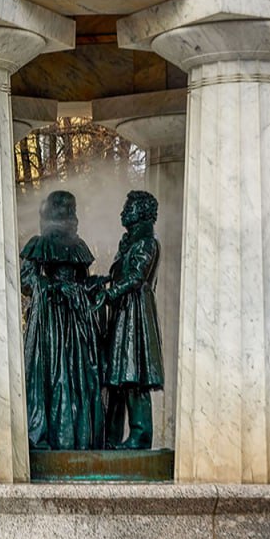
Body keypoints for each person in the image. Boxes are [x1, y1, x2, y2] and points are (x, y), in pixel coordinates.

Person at [21, 190, 104, 450]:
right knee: (53, 376)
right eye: (68, 210)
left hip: (76, 320)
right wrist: (56, 288)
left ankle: (79, 438)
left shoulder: (79, 246)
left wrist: (92, 286)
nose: (72, 216)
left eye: (73, 210)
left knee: (80, 375)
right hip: (50, 320)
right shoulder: (39, 244)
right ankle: (52, 436)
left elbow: (82, 278)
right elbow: (27, 280)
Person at [94, 190, 165, 450]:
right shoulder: (131, 242)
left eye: (128, 208)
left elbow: (136, 277)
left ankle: (140, 435)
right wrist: (101, 285)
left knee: (134, 377)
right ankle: (111, 437)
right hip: (124, 313)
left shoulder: (146, 243)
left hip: (136, 314)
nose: (123, 213)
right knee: (118, 378)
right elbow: (120, 274)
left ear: (142, 212)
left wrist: (110, 293)